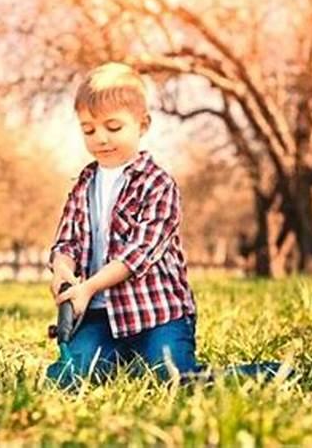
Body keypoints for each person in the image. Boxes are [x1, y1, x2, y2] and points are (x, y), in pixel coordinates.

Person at [46, 63, 283, 386]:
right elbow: (66, 241)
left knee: (170, 376)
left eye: (113, 127)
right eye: (89, 129)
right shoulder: (83, 184)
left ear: (143, 125)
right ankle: (117, 355)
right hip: (100, 315)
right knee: (70, 378)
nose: (100, 138)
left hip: (157, 315)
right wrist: (62, 272)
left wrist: (88, 287)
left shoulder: (157, 184)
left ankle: (267, 375)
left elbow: (138, 254)